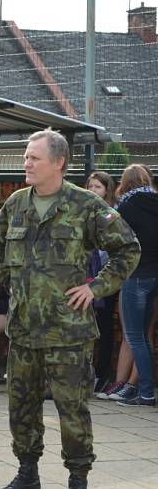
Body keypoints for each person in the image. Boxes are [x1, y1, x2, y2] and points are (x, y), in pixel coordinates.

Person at [0, 128, 139, 489]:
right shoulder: (17, 203)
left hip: (67, 332)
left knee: (72, 408)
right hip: (23, 329)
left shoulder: (85, 205)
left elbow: (128, 248)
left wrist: (96, 287)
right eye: (25, 156)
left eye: (34, 157)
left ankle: (77, 482)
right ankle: (27, 475)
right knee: (21, 407)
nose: (27, 163)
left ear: (58, 162)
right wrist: (14, 284)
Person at [114, 164, 158, 406]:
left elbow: (115, 237)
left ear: (125, 182)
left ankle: (146, 393)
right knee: (145, 335)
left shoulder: (126, 205)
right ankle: (145, 390)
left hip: (135, 274)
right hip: (155, 276)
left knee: (134, 336)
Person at [85, 171, 119, 395]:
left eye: (97, 187)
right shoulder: (82, 210)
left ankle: (102, 374)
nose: (93, 191)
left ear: (107, 190)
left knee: (104, 327)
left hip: (104, 279)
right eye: (90, 186)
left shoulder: (111, 214)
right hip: (84, 277)